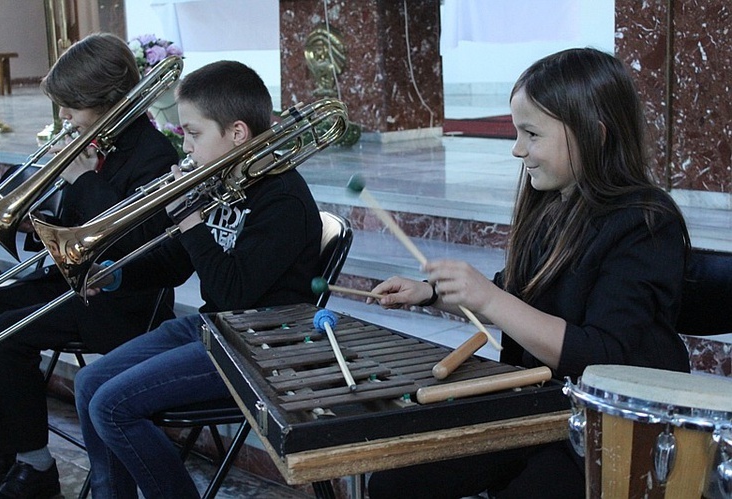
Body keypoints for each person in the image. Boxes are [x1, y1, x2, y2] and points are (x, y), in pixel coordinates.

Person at [366, 48, 691, 499]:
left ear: (592, 136)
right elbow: (519, 294)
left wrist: (491, 301)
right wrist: (433, 293)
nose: (518, 150)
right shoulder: (554, 204)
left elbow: (604, 353)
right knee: (394, 483)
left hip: (606, 431)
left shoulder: (646, 224)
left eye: (531, 134)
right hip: (541, 409)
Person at [74, 60, 323, 498]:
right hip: (216, 330)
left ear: (238, 133)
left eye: (193, 133)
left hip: (261, 345)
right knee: (88, 382)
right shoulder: (226, 178)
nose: (185, 147)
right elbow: (175, 265)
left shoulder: (283, 197)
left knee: (112, 407)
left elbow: (232, 291)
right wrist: (114, 276)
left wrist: (192, 221)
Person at [0, 33, 178, 498]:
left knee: (1, 337)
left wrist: (83, 180)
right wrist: (35, 224)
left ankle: (36, 466)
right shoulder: (95, 143)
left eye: (71, 106)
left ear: (106, 101)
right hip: (70, 281)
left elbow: (141, 243)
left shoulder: (155, 155)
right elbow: (74, 230)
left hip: (119, 300)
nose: (64, 118)